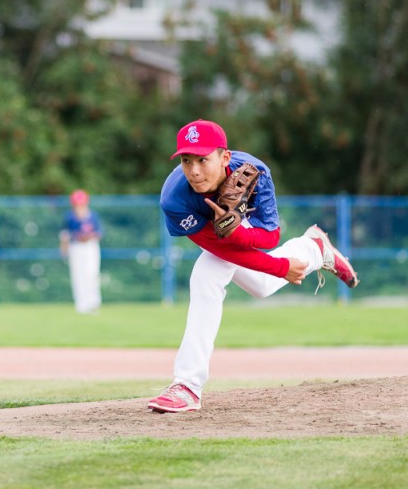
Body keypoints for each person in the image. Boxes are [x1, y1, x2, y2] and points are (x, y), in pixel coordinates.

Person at [147, 119, 359, 413]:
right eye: (186, 160)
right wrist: (280, 268)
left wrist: (238, 232)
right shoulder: (175, 199)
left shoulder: (253, 171)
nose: (194, 171)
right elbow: (222, 249)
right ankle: (313, 248)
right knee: (260, 285)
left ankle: (187, 385)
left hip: (239, 228)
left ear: (224, 158)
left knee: (205, 275)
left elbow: (270, 236)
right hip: (213, 233)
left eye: (202, 159)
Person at [59, 189, 103, 314]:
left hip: (90, 246)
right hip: (76, 247)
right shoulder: (69, 217)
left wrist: (89, 236)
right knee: (78, 276)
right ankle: (81, 304)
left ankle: (93, 302)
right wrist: (64, 249)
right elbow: (64, 235)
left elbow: (99, 233)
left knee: (91, 273)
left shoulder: (92, 216)